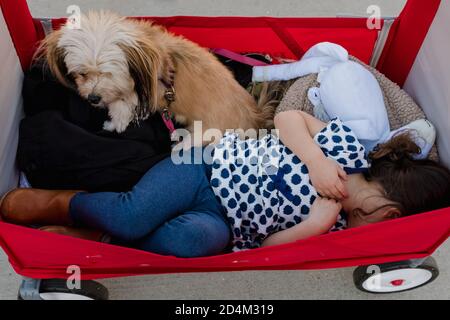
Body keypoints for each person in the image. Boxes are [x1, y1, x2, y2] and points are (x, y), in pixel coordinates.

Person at [1, 110, 449, 257]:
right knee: (133, 211)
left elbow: (271, 249)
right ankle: (65, 203)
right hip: (205, 165)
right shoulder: (345, 150)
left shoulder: (330, 229)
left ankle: (98, 234)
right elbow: (288, 117)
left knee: (195, 241)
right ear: (389, 212)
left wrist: (312, 227)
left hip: (221, 220)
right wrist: (313, 159)